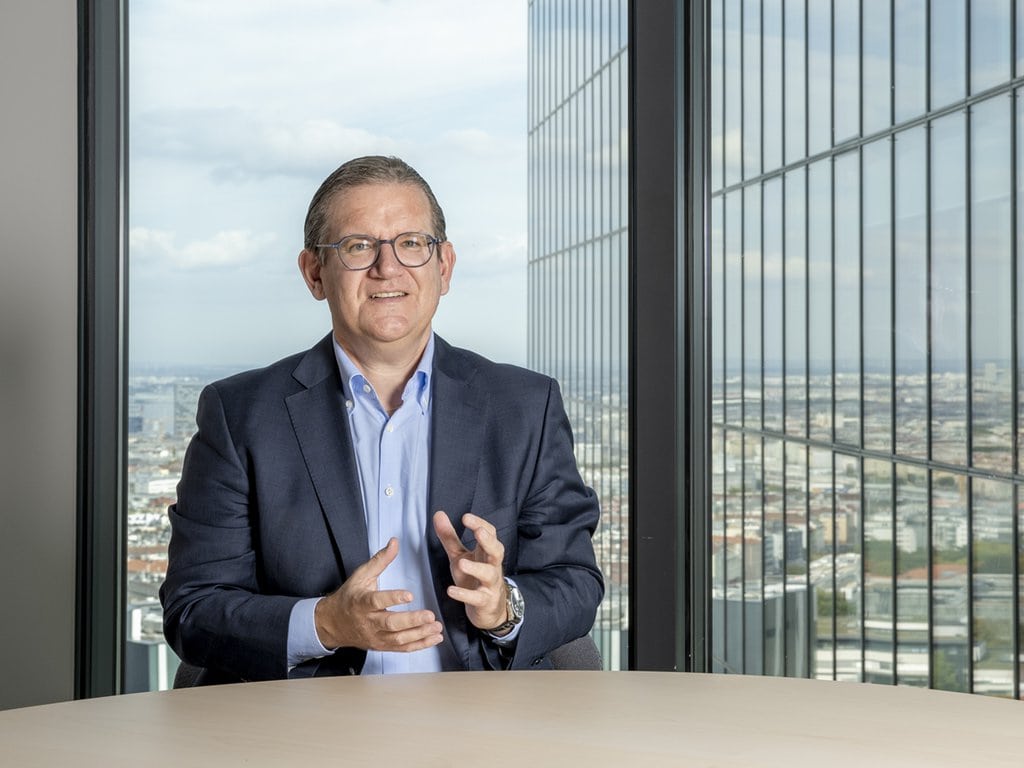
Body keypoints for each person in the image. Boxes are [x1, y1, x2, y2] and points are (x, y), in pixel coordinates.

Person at [160, 155, 604, 683]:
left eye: (411, 243)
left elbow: (574, 581)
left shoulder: (525, 407)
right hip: (304, 721)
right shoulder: (240, 415)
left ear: (444, 266)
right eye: (358, 246)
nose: (387, 268)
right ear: (314, 273)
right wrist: (325, 623)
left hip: (481, 713)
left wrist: (504, 607)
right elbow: (193, 610)